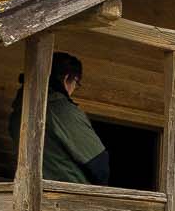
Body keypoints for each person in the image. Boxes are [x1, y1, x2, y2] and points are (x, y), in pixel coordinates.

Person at [8, 52, 109, 184]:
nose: (73, 89)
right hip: (69, 196)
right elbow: (97, 162)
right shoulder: (61, 110)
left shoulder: (18, 114)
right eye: (76, 84)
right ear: (67, 78)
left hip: (35, 192)